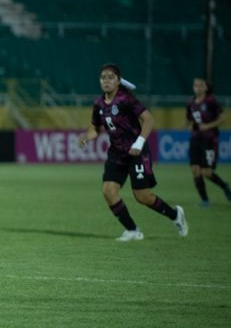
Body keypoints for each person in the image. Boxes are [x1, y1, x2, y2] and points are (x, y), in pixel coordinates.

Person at [78, 63, 187, 241]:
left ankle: (175, 215)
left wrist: (139, 142)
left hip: (136, 152)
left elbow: (149, 119)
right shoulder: (98, 103)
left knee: (142, 196)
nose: (106, 81)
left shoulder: (125, 100)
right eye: (103, 77)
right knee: (108, 191)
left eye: (110, 77)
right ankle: (132, 230)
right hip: (116, 153)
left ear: (118, 81)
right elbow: (95, 128)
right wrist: (86, 136)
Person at [187, 76, 230, 206]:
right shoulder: (191, 103)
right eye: (195, 85)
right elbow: (190, 120)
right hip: (195, 139)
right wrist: (189, 125)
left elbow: (223, 118)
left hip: (209, 140)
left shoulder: (211, 101)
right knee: (195, 170)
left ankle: (224, 186)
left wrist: (208, 125)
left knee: (207, 172)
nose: (197, 87)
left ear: (205, 87)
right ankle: (204, 200)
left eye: (200, 85)